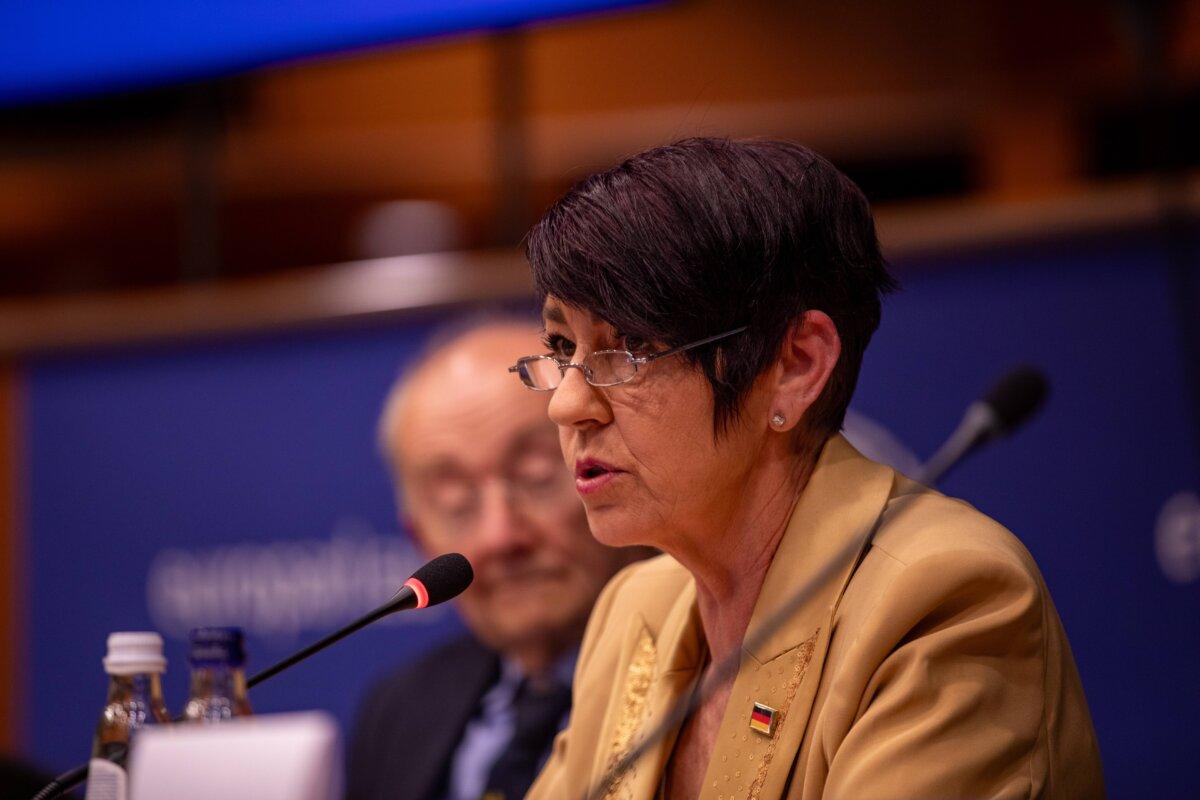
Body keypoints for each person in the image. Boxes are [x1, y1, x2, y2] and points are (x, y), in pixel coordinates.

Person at [516, 138, 1105, 799]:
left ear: (795, 367)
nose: (566, 404)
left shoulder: (943, 598)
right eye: (562, 346)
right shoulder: (634, 612)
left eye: (630, 347)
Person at [346, 318, 647, 800]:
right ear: (419, 536)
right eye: (456, 503)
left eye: (536, 473)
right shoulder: (398, 712)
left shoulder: (696, 666)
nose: (501, 536)